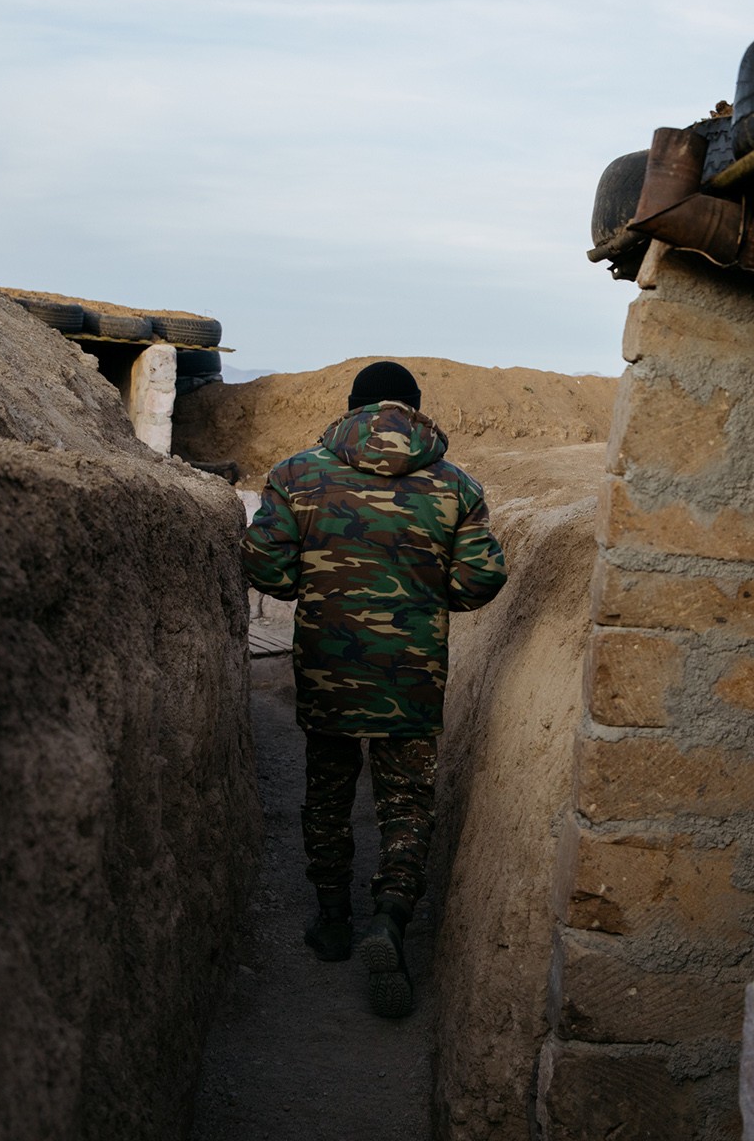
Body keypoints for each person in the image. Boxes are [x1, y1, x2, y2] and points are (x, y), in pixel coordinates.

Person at [240, 360, 507, 1018]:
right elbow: (480, 580)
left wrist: (319, 590)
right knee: (407, 800)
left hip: (329, 664)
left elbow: (265, 567)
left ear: (352, 406)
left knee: (327, 791)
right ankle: (390, 915)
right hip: (412, 673)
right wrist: (419, 597)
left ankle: (332, 921)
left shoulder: (297, 475)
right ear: (415, 410)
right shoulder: (454, 486)